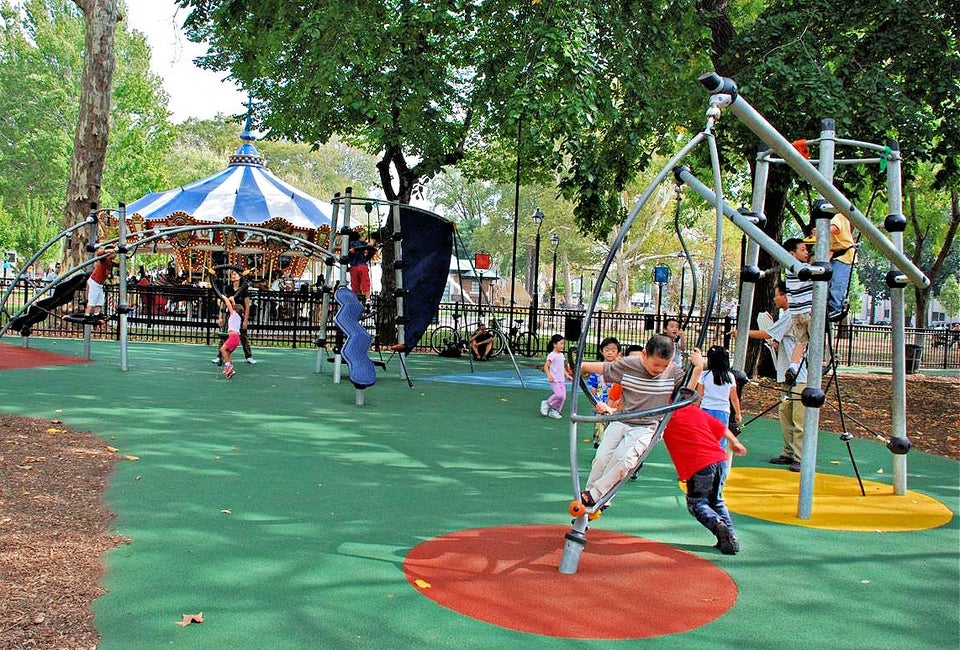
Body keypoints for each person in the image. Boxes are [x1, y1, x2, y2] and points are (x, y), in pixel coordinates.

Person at [577, 335, 704, 506]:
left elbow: (685, 396)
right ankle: (591, 495)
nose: (660, 369)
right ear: (644, 354)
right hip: (622, 419)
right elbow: (605, 367)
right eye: (656, 364)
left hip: (647, 426)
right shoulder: (630, 365)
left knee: (624, 460)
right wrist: (581, 365)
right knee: (601, 458)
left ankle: (596, 495)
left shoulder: (672, 372)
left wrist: (698, 369)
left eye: (664, 365)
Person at [738, 280, 806, 472]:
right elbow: (779, 338)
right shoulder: (788, 315)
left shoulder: (793, 312)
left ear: (785, 296)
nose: (774, 298)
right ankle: (788, 452)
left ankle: (800, 457)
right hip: (787, 374)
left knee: (799, 418)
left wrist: (742, 333)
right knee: (786, 414)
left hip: (801, 375)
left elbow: (768, 333)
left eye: (776, 294)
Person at [662, 403, 747, 554]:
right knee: (717, 501)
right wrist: (735, 442)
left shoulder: (666, 415)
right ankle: (732, 539)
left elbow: (643, 417)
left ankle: (717, 523)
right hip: (720, 460)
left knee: (696, 503)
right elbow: (720, 427)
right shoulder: (693, 410)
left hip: (699, 464)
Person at [697, 345, 742, 463]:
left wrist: (695, 409)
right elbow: (734, 397)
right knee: (720, 440)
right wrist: (738, 413)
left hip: (706, 410)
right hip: (723, 412)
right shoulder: (729, 376)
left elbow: (698, 395)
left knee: (704, 439)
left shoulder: (704, 375)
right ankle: (718, 465)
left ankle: (701, 465)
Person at [783, 237, 812, 385]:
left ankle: (793, 366)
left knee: (800, 342)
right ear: (792, 254)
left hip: (796, 314)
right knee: (817, 341)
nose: (806, 252)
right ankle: (818, 364)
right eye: (802, 250)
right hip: (809, 311)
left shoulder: (788, 270)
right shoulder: (805, 269)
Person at [213, 270, 257, 366]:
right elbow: (223, 302)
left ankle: (248, 356)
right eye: (232, 274)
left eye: (235, 274)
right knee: (224, 335)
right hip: (229, 314)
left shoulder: (243, 289)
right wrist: (220, 317)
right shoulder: (228, 289)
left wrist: (245, 320)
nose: (233, 276)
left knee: (243, 336)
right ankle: (219, 356)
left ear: (240, 276)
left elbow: (247, 305)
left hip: (239, 315)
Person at [585, 337, 622, 447]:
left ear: (618, 352)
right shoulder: (596, 370)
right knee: (600, 424)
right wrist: (594, 402)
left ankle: (611, 446)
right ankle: (600, 444)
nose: (610, 352)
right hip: (601, 403)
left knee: (613, 425)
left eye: (613, 350)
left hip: (614, 404)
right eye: (607, 350)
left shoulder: (619, 369)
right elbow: (593, 388)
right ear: (602, 351)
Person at [540, 334, 572, 420]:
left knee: (563, 397)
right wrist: (549, 375)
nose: (562, 346)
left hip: (561, 380)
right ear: (555, 344)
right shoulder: (552, 355)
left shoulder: (561, 355)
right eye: (561, 343)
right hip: (554, 379)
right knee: (559, 395)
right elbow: (546, 367)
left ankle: (555, 411)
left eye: (563, 344)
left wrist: (567, 375)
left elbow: (562, 368)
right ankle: (547, 403)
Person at [84, 248, 115, 321]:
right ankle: (87, 315)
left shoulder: (110, 262)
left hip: (100, 284)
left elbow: (117, 264)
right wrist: (107, 251)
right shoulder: (104, 260)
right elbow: (99, 254)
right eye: (114, 253)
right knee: (92, 299)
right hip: (95, 282)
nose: (115, 255)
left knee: (100, 300)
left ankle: (96, 314)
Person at [347, 231, 376, 305]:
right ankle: (367, 298)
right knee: (365, 281)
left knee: (355, 284)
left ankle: (355, 300)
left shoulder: (349, 243)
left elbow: (347, 255)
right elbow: (370, 247)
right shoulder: (362, 243)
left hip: (353, 267)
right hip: (362, 265)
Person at [219, 295, 242, 380]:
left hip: (233, 337)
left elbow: (228, 305)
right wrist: (233, 300)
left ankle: (229, 367)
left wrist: (224, 297)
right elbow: (235, 307)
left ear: (234, 310)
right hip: (236, 338)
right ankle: (229, 370)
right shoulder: (238, 317)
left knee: (223, 350)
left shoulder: (233, 314)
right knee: (227, 353)